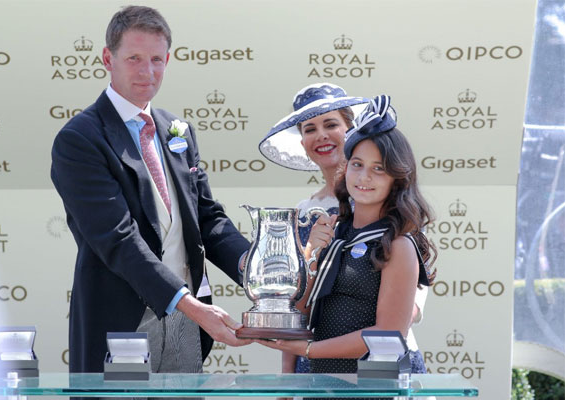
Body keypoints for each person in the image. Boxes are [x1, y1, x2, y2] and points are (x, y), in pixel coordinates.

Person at [50, 5, 251, 376]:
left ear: (168, 60)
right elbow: (117, 239)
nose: (147, 71)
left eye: (157, 59)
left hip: (186, 321)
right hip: (121, 325)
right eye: (134, 59)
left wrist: (255, 269)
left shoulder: (177, 129)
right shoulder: (80, 138)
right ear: (108, 58)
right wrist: (190, 304)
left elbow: (206, 218)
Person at [256, 95, 437, 384]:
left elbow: (388, 336)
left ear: (397, 177)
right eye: (357, 164)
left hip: (373, 385)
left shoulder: (398, 244)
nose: (364, 177)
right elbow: (300, 311)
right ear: (346, 166)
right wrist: (311, 253)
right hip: (322, 382)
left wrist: (309, 350)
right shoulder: (334, 231)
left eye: (379, 168)